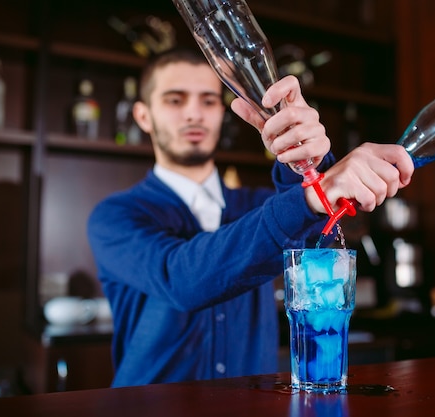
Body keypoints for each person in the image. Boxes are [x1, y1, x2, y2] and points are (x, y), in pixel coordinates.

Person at [87, 48, 414, 388]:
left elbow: (319, 232)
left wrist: (306, 160)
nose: (194, 114)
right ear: (143, 116)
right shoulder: (115, 217)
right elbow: (181, 278)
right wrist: (308, 198)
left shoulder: (258, 205)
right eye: (174, 100)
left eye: (209, 101)